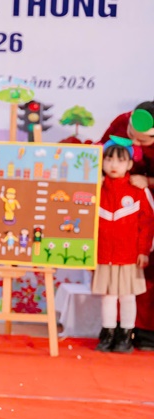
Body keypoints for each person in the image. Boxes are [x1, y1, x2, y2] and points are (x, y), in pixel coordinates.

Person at [99, 102, 154, 349]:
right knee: (110, 291)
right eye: (133, 135)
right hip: (117, 199)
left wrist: (148, 181)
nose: (136, 144)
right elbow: (101, 151)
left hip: (143, 198)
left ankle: (142, 331)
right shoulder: (121, 122)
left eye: (144, 141)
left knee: (139, 283)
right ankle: (112, 329)